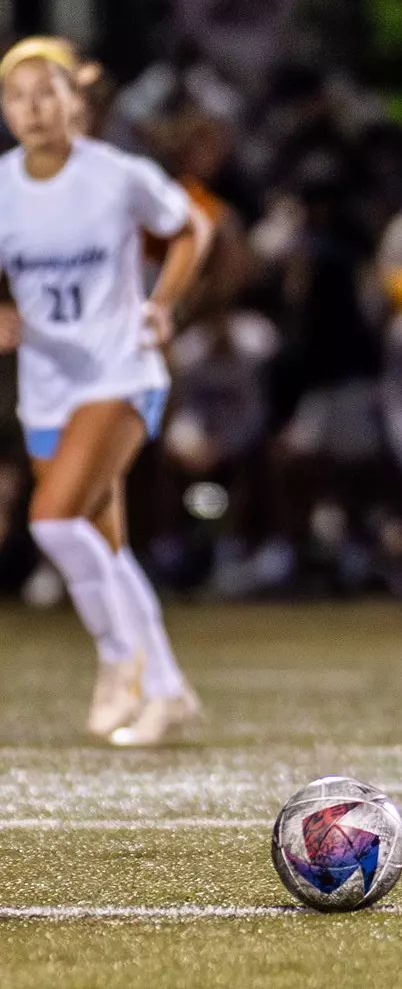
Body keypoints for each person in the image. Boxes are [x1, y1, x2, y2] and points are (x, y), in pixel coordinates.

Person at [0, 37, 213, 744]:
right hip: (47, 384)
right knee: (101, 545)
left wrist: (163, 304)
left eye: (46, 93)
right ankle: (166, 688)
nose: (32, 109)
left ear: (76, 102)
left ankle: (120, 658)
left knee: (53, 520)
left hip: (120, 372)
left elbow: (191, 228)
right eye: (16, 96)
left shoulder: (116, 175)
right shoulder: (3, 185)